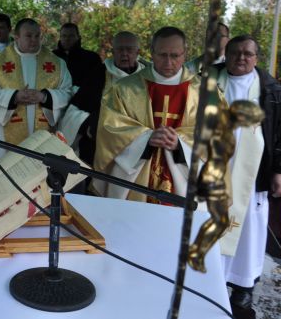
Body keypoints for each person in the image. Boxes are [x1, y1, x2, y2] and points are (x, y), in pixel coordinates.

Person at [94, 26, 213, 203]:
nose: (168, 62)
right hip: (136, 177)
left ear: (185, 53)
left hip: (184, 178)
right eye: (162, 55)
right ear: (151, 53)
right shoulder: (124, 88)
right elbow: (109, 129)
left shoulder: (204, 92)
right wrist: (145, 138)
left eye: (175, 56)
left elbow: (216, 135)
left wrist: (180, 143)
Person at [215, 35, 281, 314]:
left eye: (248, 54)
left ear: (256, 58)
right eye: (235, 53)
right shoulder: (207, 81)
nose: (241, 58)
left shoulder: (271, 90)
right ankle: (212, 281)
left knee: (249, 230)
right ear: (226, 55)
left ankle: (243, 289)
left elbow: (279, 134)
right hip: (214, 169)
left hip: (252, 173)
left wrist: (278, 169)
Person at [0, 18, 73, 161]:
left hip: (44, 136)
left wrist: (45, 97)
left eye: (37, 36)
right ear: (16, 37)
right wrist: (13, 97)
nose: (34, 40)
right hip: (4, 138)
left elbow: (68, 93)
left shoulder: (57, 64)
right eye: (28, 36)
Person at [59, 31, 146, 168]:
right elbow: (74, 112)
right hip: (98, 147)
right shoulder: (99, 74)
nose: (124, 54)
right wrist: (90, 124)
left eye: (129, 49)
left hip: (136, 148)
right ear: (113, 51)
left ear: (137, 52)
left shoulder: (147, 77)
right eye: (119, 49)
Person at [51, 22, 103, 88]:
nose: (67, 39)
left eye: (71, 36)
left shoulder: (92, 58)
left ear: (78, 37)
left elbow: (97, 84)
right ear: (60, 37)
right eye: (64, 36)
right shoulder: (52, 57)